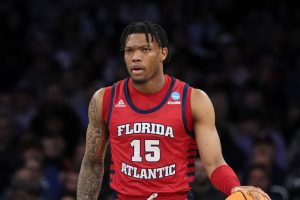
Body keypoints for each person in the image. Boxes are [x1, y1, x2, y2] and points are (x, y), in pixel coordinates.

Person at [77, 21, 271, 200]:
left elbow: (214, 163)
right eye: (129, 51)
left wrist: (233, 188)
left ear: (163, 53)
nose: (135, 57)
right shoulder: (104, 99)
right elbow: (92, 162)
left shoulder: (194, 99)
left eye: (145, 50)